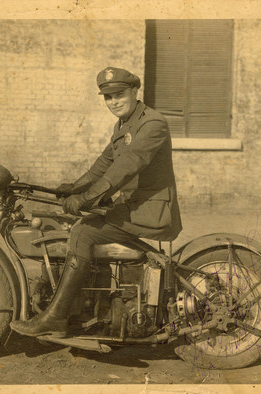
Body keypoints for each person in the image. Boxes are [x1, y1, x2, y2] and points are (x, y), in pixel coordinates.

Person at [10, 67, 182, 338]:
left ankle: (56, 317)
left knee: (83, 232)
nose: (113, 102)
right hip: (131, 209)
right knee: (74, 224)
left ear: (135, 92)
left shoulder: (152, 123)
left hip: (150, 213)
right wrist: (70, 189)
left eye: (119, 94)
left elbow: (126, 165)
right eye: (107, 97)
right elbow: (102, 165)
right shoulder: (124, 125)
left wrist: (87, 198)